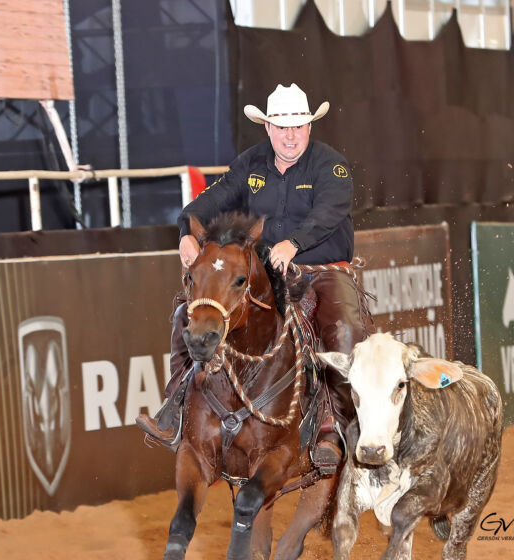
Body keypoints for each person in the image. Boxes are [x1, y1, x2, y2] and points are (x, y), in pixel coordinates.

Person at [137, 83, 370, 474]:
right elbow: (212, 199)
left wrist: (295, 243)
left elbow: (331, 210)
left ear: (309, 127)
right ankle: (175, 407)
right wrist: (186, 231)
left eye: (298, 126)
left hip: (323, 271)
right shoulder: (250, 163)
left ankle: (335, 424)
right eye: (282, 127)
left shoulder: (331, 166)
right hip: (262, 274)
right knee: (188, 315)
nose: (290, 135)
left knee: (343, 328)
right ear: (268, 128)